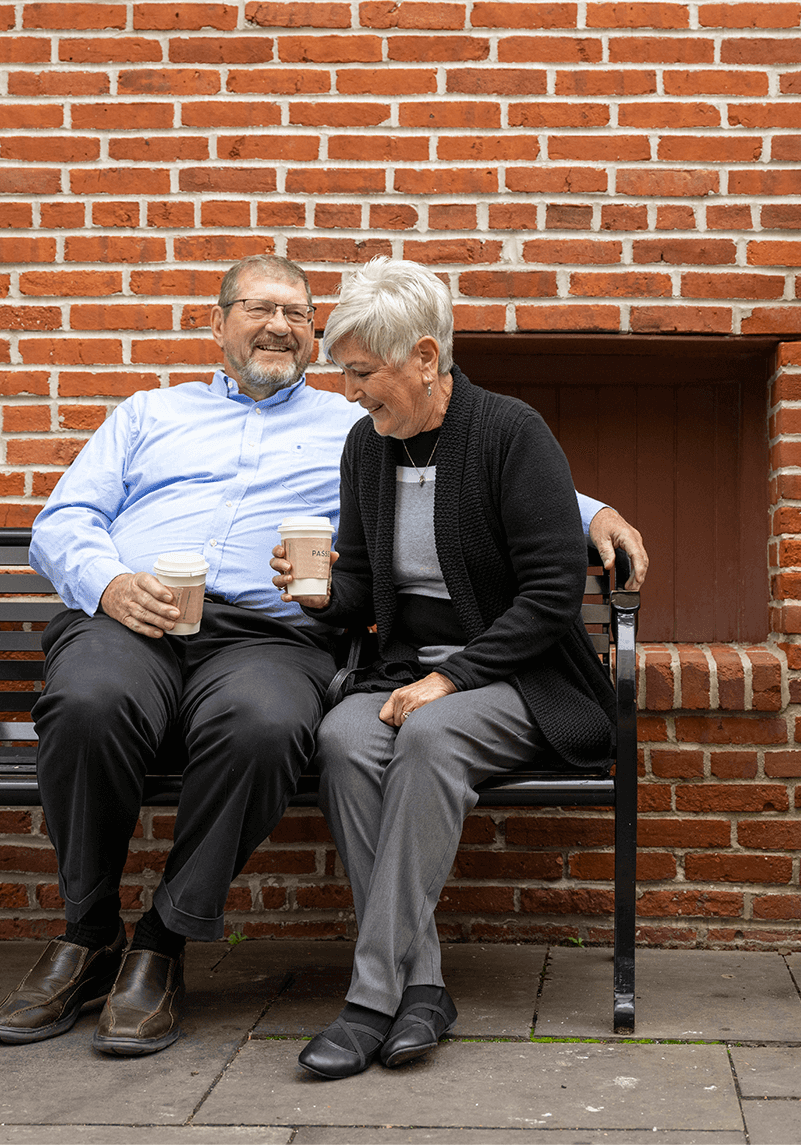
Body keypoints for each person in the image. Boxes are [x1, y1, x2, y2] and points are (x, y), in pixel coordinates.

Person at [0, 254, 647, 1057]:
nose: (281, 326)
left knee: (265, 724)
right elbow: (62, 521)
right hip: (136, 620)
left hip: (267, 637)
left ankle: (161, 939)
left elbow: (487, 463)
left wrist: (596, 511)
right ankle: (86, 936)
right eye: (260, 308)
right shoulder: (149, 414)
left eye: (299, 314)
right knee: (87, 703)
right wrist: (110, 582)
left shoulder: (356, 420)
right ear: (216, 322)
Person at [273, 258, 618, 1080]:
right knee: (346, 739)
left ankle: (368, 999)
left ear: (425, 359)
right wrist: (321, 593)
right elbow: (363, 580)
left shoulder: (511, 433)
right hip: (402, 672)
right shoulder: (368, 446)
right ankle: (422, 988)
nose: (351, 391)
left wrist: (453, 677)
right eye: (345, 373)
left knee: (427, 736)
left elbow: (545, 598)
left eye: (363, 372)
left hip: (522, 676)